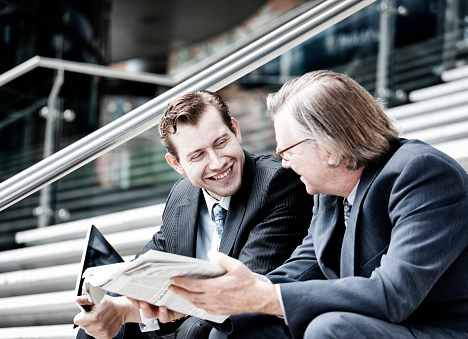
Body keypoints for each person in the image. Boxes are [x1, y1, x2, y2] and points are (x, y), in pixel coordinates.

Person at [156, 71, 468, 338]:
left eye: (287, 152)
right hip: (377, 325)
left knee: (329, 328)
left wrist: (266, 297)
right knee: (248, 325)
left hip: (437, 328)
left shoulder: (421, 173)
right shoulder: (327, 190)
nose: (284, 164)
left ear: (329, 145)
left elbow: (393, 294)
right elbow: (299, 270)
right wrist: (214, 298)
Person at [73, 90, 314, 339]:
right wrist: (115, 304)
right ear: (177, 164)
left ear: (235, 130)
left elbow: (242, 296)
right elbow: (148, 266)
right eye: (198, 155)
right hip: (185, 326)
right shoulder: (183, 195)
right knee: (94, 327)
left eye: (220, 143)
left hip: (243, 326)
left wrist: (126, 311)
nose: (217, 162)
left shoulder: (277, 184)